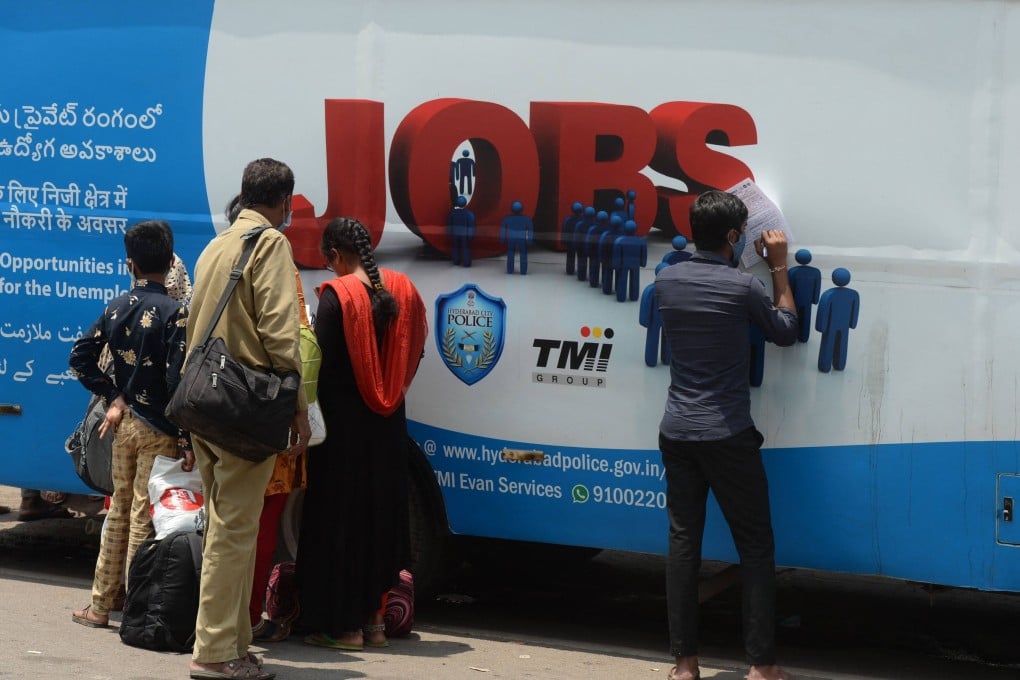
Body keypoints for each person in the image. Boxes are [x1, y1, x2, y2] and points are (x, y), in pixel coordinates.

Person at [655, 190, 798, 680]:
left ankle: (684, 665)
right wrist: (777, 266)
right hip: (727, 434)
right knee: (755, 546)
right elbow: (785, 330)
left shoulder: (666, 281)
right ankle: (761, 666)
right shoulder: (743, 287)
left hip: (677, 430)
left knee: (683, 545)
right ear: (736, 235)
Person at [187, 159, 310, 680]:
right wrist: (298, 406)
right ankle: (215, 653)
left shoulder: (216, 245)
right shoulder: (271, 244)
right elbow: (282, 332)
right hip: (245, 409)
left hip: (204, 403)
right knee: (234, 532)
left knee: (225, 526)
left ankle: (234, 642)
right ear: (284, 202)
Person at [297, 217, 427, 651]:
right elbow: (417, 347)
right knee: (378, 522)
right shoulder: (404, 290)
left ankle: (345, 629)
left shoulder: (338, 297)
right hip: (388, 429)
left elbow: (319, 364)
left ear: (335, 255)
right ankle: (374, 624)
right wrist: (396, 385)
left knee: (340, 523)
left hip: (343, 433)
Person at [68, 220, 192, 629]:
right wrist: (187, 439)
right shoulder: (177, 313)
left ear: (130, 264)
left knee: (119, 510)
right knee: (144, 515)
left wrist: (114, 396)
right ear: (170, 264)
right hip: (161, 430)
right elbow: (176, 381)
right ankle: (136, 611)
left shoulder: (116, 306)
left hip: (125, 426)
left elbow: (80, 358)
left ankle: (101, 606)